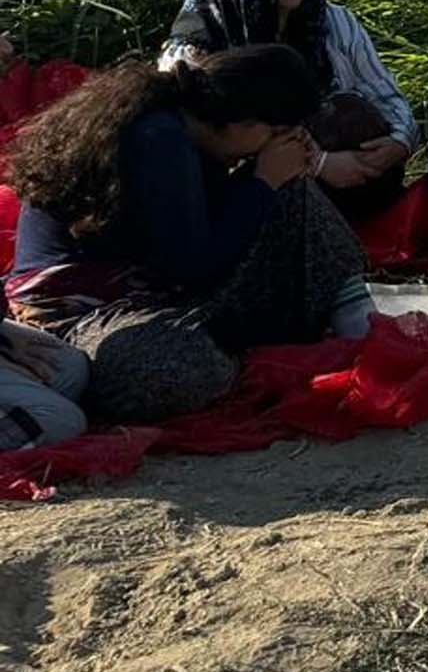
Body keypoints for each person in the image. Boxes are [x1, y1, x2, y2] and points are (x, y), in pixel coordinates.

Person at [7, 44, 378, 424]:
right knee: (179, 368)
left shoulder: (195, 135)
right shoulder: (161, 139)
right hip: (83, 313)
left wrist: (267, 183)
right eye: (276, 133)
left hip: (160, 290)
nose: (273, 145)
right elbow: (191, 265)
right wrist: (262, 182)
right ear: (242, 122)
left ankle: (349, 309)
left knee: (294, 191)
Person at [163, 0, 417, 219]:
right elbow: (230, 137)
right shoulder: (193, 55)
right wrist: (320, 163)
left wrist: (396, 144)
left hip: (350, 173)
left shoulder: (333, 23)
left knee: (353, 113)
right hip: (254, 191)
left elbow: (387, 96)